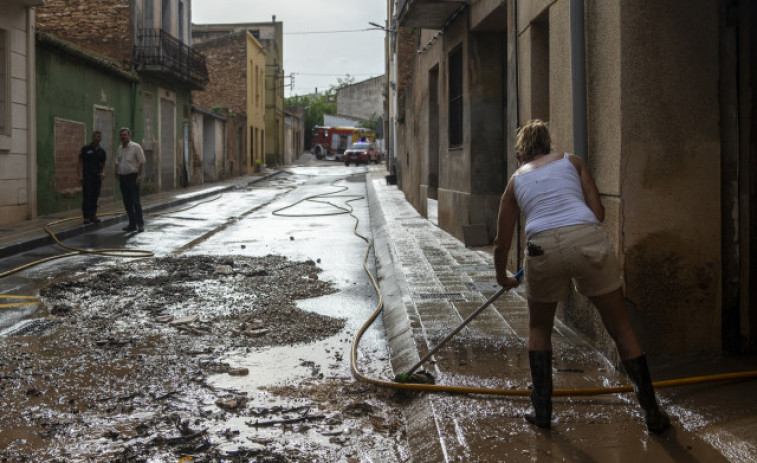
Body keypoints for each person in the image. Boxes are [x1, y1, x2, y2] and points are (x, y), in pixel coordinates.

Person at [493, 119, 670, 434]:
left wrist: (504, 277)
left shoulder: (515, 180)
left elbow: (502, 240)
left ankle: (543, 412)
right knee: (620, 327)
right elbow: (598, 213)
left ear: (522, 155)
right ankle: (652, 412)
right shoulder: (572, 162)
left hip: (540, 248)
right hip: (587, 238)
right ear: (548, 146)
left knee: (539, 327)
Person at [115, 127, 146, 233]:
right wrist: (116, 172)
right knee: (127, 202)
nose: (123, 137)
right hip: (123, 178)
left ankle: (140, 224)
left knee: (135, 201)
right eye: (121, 135)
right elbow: (117, 162)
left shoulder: (135, 147)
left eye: (125, 135)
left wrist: (139, 176)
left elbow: (141, 162)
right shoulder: (119, 148)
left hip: (133, 177)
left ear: (129, 135)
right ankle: (132, 225)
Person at [78, 131, 106, 224]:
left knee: (95, 196)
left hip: (97, 178)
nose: (96, 138)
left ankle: (93, 216)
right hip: (87, 177)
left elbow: (103, 164)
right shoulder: (85, 149)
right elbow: (79, 162)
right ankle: (86, 217)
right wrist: (80, 175)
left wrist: (103, 172)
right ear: (92, 137)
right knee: (87, 197)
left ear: (100, 139)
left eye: (98, 137)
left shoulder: (102, 151)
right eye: (95, 136)